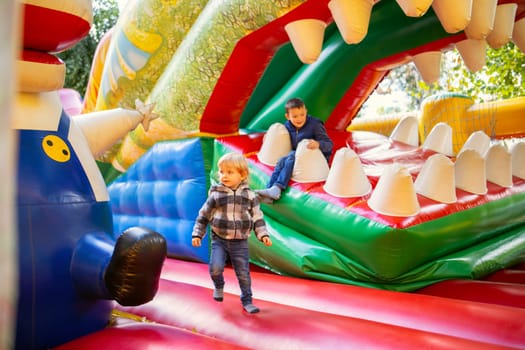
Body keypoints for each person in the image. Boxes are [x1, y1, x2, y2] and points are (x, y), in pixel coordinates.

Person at [191, 152, 272, 314]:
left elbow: (257, 217)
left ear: (242, 175)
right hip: (219, 239)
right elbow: (204, 214)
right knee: (215, 268)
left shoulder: (250, 196)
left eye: (229, 172)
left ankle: (247, 300)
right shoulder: (216, 195)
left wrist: (263, 234)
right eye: (221, 172)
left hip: (240, 242)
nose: (224, 176)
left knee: (243, 273)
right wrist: (198, 233)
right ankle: (219, 285)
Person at [256, 97, 333, 201]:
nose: (299, 119)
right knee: (282, 160)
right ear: (287, 116)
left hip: (315, 161)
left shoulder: (315, 125)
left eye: (302, 114)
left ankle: (277, 187)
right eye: (295, 116)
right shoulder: (288, 126)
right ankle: (269, 190)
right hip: (296, 158)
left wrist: (318, 144)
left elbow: (329, 144)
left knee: (291, 155)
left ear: (306, 111)